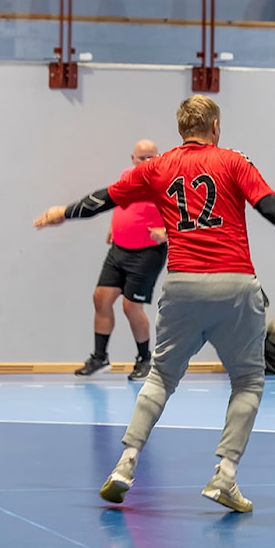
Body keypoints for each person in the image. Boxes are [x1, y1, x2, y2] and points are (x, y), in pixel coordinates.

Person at [34, 95, 275, 511]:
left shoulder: (156, 167)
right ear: (215, 127)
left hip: (182, 286)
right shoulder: (233, 161)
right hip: (235, 285)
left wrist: (63, 212)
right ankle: (225, 476)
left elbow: (104, 198)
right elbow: (271, 208)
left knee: (160, 377)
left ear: (180, 130)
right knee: (248, 381)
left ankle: (125, 465)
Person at [75, 140, 169, 381]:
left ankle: (145, 360)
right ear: (133, 159)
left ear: (159, 157)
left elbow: (184, 210)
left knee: (131, 306)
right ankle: (100, 357)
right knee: (101, 298)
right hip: (119, 249)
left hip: (147, 252)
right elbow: (117, 201)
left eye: (151, 157)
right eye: (142, 158)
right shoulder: (127, 176)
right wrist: (113, 226)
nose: (146, 162)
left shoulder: (166, 180)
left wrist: (166, 232)